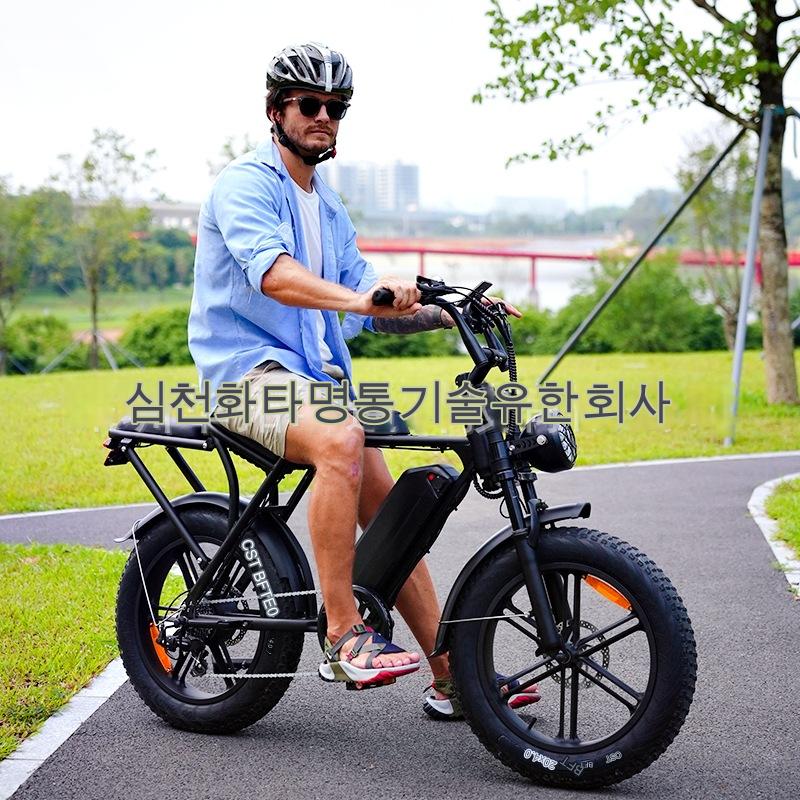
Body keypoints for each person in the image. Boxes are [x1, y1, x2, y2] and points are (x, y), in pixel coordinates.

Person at [188, 42, 537, 718]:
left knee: (392, 516)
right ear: (276, 111)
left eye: (336, 108)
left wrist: (451, 310)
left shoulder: (328, 205)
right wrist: (358, 298)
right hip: (243, 377)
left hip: (314, 385)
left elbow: (368, 304)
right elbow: (275, 275)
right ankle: (342, 633)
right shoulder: (246, 185)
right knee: (343, 438)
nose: (323, 116)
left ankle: (452, 676)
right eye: (308, 104)